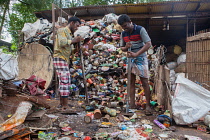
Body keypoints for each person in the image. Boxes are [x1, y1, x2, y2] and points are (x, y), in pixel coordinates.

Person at [118, 14, 152, 115]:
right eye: (122, 27)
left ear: (130, 21)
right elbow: (122, 48)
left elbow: (148, 43)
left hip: (141, 57)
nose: (124, 28)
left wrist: (136, 54)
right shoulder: (123, 33)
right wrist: (126, 47)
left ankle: (148, 106)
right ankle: (132, 105)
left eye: (125, 25)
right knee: (131, 81)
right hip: (130, 59)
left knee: (144, 82)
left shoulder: (140, 29)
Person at [53, 16, 81, 111]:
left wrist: (76, 48)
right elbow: (62, 43)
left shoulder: (69, 34)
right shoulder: (62, 31)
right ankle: (65, 105)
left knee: (64, 80)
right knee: (65, 80)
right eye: (76, 25)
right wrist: (74, 41)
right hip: (59, 57)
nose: (77, 28)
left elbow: (69, 48)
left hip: (64, 58)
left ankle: (62, 104)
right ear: (72, 23)